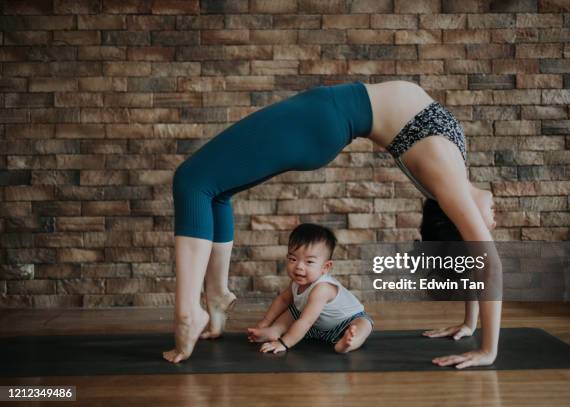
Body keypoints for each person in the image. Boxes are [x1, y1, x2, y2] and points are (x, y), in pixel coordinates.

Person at [163, 80, 501, 368]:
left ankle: (187, 312)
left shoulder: (446, 178)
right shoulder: (452, 174)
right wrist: (469, 325)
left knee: (191, 181)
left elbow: (485, 262)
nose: (489, 228)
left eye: (482, 232)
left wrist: (487, 349)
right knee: (216, 190)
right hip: (325, 116)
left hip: (322, 119)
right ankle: (218, 296)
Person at [246, 223, 373, 354]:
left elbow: (306, 322)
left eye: (309, 262)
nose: (299, 266)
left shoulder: (322, 288)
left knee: (363, 325)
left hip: (346, 323)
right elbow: (283, 300)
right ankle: (275, 330)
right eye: (293, 259)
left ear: (326, 267)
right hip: (317, 326)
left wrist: (284, 343)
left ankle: (348, 343)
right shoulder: (296, 283)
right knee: (293, 311)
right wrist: (265, 322)